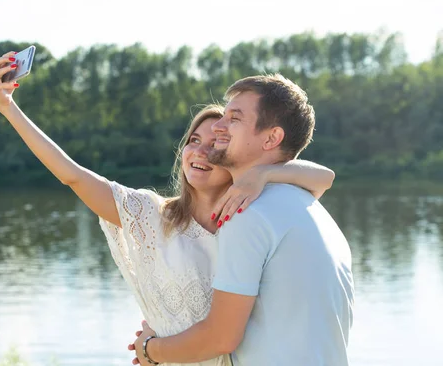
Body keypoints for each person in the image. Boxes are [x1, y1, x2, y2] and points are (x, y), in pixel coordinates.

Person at [0, 53, 336, 366]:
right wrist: (8, 108)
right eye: (193, 141)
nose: (200, 152)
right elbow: (73, 176)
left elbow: (325, 177)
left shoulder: (249, 213)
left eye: (216, 143)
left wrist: (264, 172)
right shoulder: (151, 216)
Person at [132, 74, 354, 366]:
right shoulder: (308, 205)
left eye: (234, 119)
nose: (219, 127)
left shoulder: (248, 214)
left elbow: (221, 337)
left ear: (272, 138)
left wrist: (149, 349)